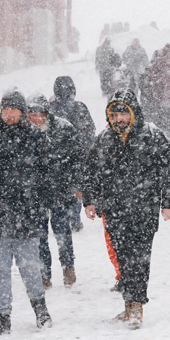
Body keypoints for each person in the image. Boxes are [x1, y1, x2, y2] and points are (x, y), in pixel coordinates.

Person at [82, 89, 170, 328]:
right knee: (123, 259)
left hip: (144, 209)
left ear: (133, 113)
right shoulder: (104, 139)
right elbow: (91, 171)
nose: (119, 119)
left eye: (123, 113)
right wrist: (90, 200)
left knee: (139, 259)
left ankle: (137, 306)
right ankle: (128, 305)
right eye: (114, 114)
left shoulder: (152, 136)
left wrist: (168, 202)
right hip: (114, 211)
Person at [0, 90, 52, 336]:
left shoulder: (36, 138)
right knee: (0, 270)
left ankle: (41, 311)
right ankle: (2, 318)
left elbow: (47, 175)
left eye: (13, 110)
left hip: (26, 217)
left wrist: (34, 199)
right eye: (5, 110)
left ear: (22, 112)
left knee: (29, 267)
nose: (8, 115)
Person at [28, 94, 84, 289]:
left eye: (38, 114)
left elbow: (77, 158)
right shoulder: (24, 132)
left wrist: (77, 184)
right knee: (39, 236)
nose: (35, 118)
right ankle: (44, 274)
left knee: (62, 232)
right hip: (36, 193)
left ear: (46, 113)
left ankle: (68, 268)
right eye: (31, 114)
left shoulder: (64, 128)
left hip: (60, 189)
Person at [50, 76, 96, 232]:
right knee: (76, 185)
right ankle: (74, 218)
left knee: (58, 187)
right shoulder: (80, 107)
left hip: (56, 157)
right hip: (77, 154)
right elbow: (89, 131)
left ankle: (60, 217)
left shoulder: (51, 109)